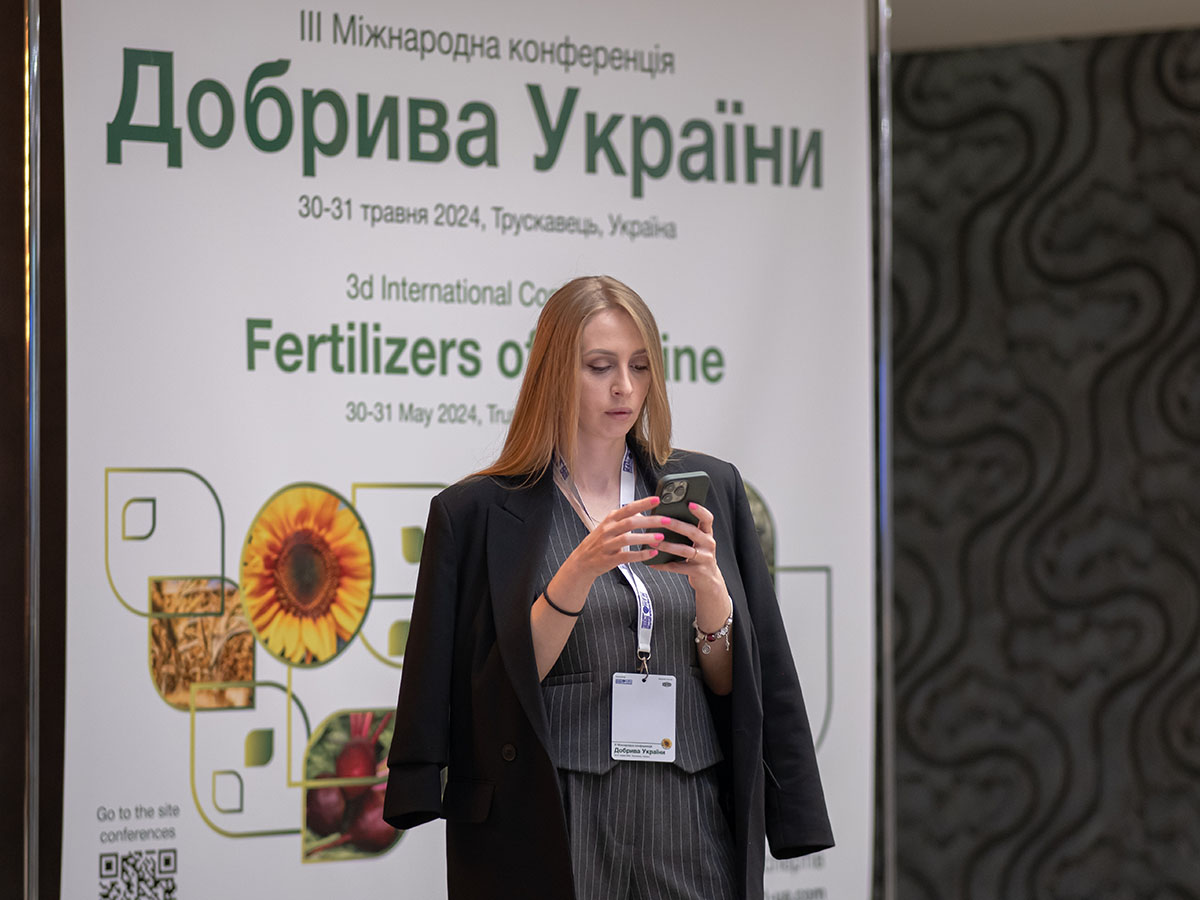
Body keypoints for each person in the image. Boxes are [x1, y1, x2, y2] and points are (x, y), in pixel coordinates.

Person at [383, 275, 833, 900]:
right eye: (600, 367)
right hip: (557, 820)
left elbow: (737, 685)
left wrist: (712, 595)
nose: (624, 386)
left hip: (689, 819)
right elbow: (491, 689)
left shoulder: (709, 489)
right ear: (553, 374)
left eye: (639, 366)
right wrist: (578, 571)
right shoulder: (476, 513)